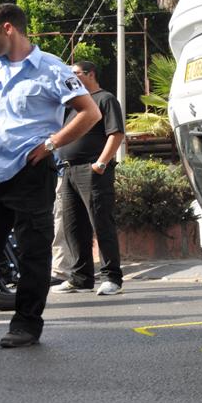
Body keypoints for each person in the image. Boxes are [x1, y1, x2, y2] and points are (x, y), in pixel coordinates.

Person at [0, 4, 101, 349]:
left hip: (31, 170)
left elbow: (88, 112)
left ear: (7, 29)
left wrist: (51, 144)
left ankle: (26, 324)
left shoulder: (50, 68)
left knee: (33, 251)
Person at [51, 61, 126, 296]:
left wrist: (101, 164)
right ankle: (81, 278)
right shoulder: (71, 105)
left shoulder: (105, 99)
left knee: (101, 223)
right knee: (73, 227)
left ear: (90, 74)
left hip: (92, 169)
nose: (70, 78)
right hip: (68, 170)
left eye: (75, 74)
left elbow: (116, 133)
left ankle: (111, 277)